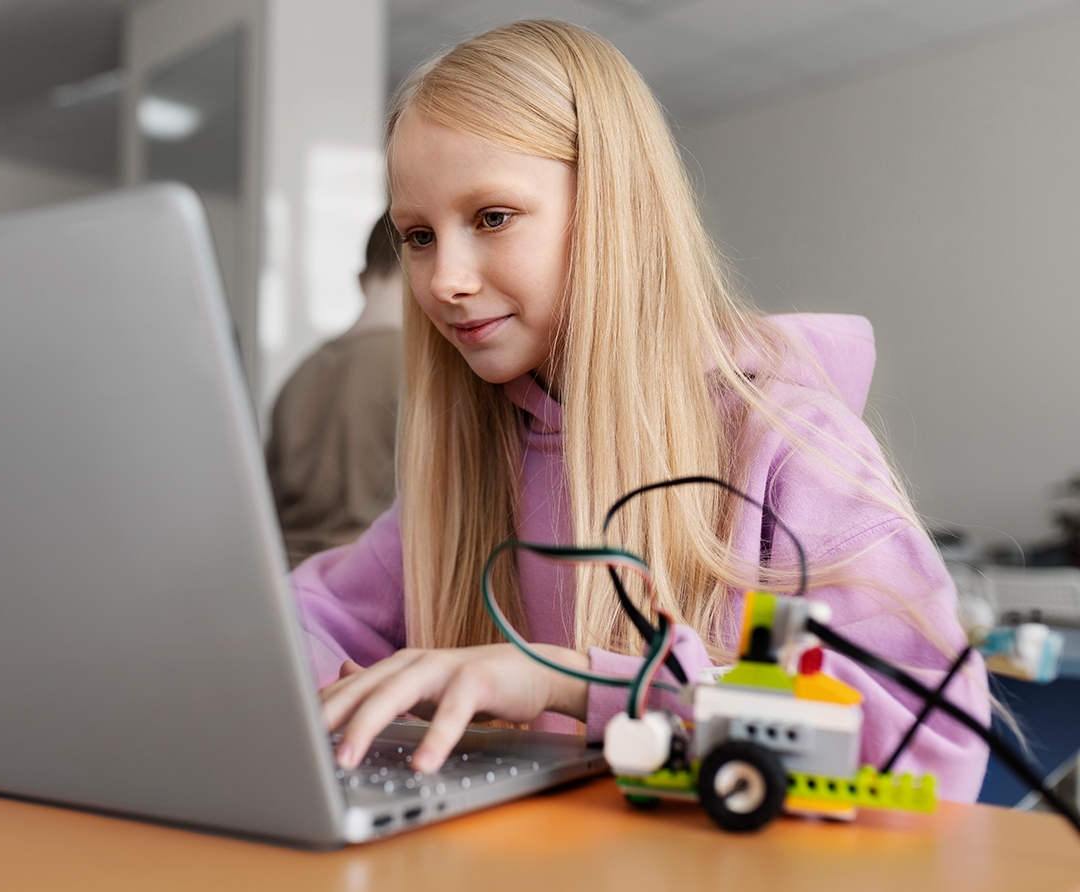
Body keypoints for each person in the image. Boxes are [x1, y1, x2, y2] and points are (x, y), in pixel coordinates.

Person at [294, 21, 990, 801]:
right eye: (418, 236)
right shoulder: (475, 463)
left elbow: (935, 747)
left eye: (491, 217)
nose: (443, 280)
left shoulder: (791, 450)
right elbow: (295, 621)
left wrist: (575, 682)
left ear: (613, 209)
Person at [265, 215, 402, 568]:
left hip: (289, 584)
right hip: (363, 589)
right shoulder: (423, 375)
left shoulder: (300, 375)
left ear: (361, 280)